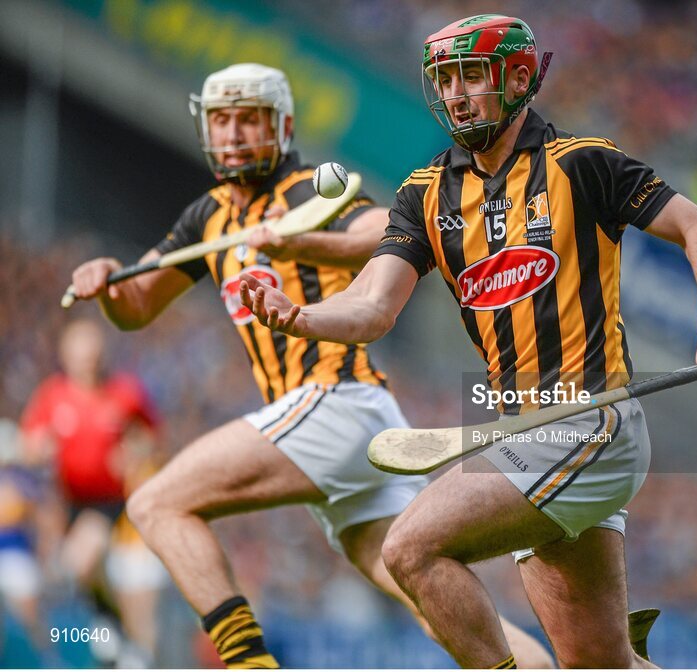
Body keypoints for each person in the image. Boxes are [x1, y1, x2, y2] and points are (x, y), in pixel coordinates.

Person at [239, 15, 697, 668]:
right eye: (444, 80)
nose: (453, 94)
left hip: (587, 420)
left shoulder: (583, 164)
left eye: (469, 77)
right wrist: (300, 316)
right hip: (511, 430)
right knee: (600, 664)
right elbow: (371, 305)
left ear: (516, 79)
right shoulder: (425, 194)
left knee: (409, 549)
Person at [68, 62, 551, 669]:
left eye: (251, 119)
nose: (236, 134)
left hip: (334, 402)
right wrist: (107, 285)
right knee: (433, 603)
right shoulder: (207, 216)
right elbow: (136, 307)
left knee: (156, 504)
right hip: (349, 424)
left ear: (283, 125)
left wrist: (300, 243)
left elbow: (388, 236)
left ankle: (249, 663)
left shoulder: (312, 191)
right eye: (223, 121)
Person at [19, 318, 164, 664]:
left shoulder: (124, 392)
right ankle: (110, 627)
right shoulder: (52, 396)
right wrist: (38, 450)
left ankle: (114, 631)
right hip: (66, 501)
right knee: (80, 571)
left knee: (82, 559)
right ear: (66, 356)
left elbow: (152, 437)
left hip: (110, 502)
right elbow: (28, 444)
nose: (89, 363)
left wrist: (134, 454)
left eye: (94, 356)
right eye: (82, 356)